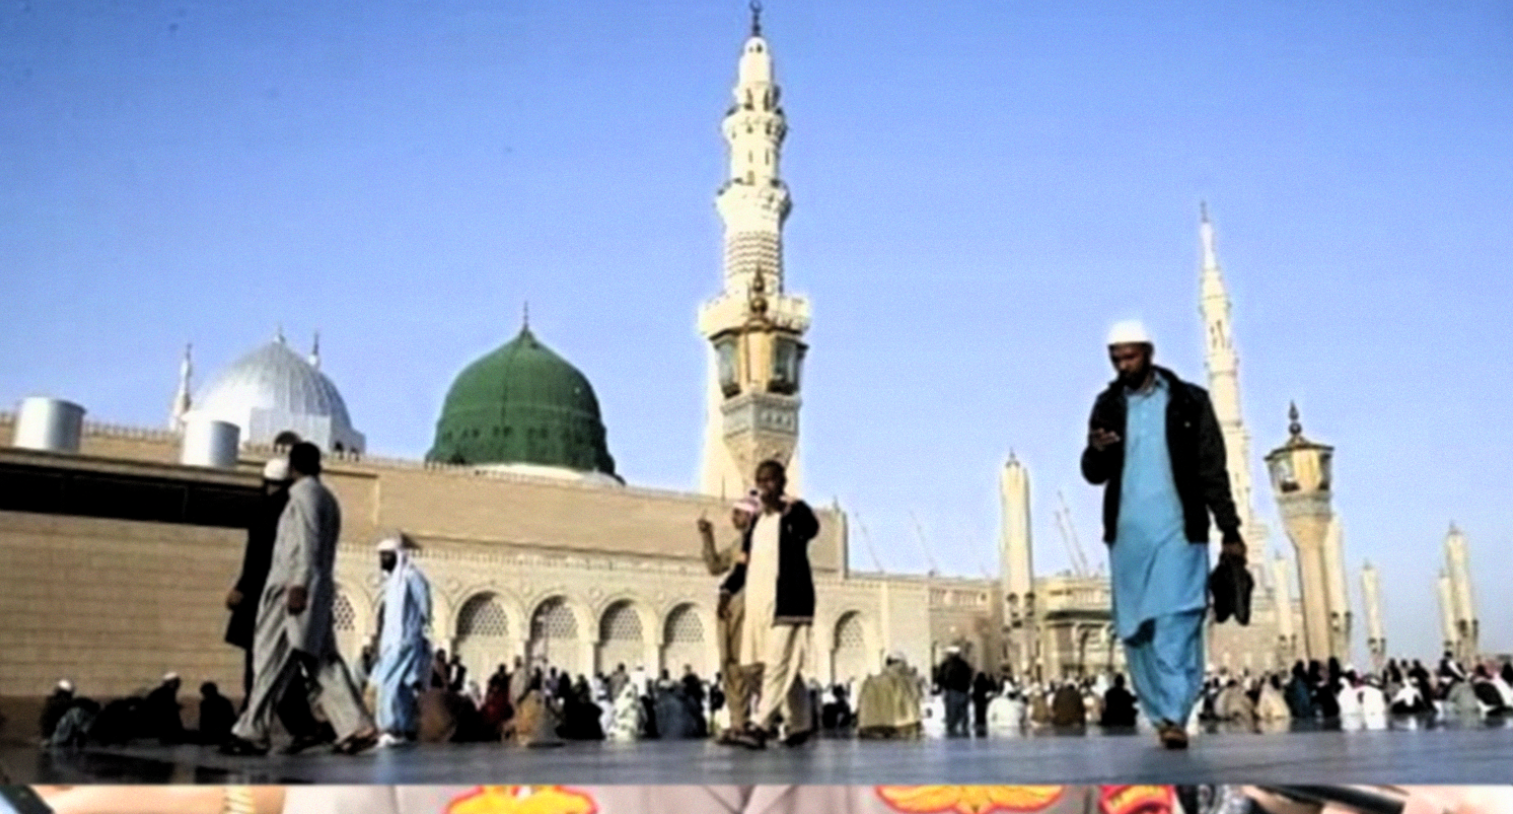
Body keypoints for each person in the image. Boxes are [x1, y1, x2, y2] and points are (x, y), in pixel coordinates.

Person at [1081, 320, 1245, 750]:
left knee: (1177, 617)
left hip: (1180, 528)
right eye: (1116, 359)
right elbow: (1092, 474)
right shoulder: (1107, 404)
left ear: (1149, 352)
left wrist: (1230, 528)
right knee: (1136, 631)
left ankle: (1174, 712)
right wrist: (1096, 451)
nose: (1123, 365)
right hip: (1128, 534)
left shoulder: (1190, 401)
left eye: (1130, 357)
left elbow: (1212, 468)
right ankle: (1158, 711)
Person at [223, 442, 379, 756]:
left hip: (292, 591)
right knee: (322, 662)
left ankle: (252, 732)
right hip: (314, 589)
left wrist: (298, 585)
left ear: (293, 467)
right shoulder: (328, 498)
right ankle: (356, 727)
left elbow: (307, 542)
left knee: (270, 659)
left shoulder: (303, 495)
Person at [224, 457, 325, 754]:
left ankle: (253, 730)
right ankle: (300, 728)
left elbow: (259, 560)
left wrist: (242, 588)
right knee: (280, 668)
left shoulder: (273, 511)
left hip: (266, 599)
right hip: (287, 595)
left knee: (263, 666)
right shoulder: (297, 506)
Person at [730, 459, 821, 749]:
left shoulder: (795, 511)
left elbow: (811, 528)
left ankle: (761, 725)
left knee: (777, 663)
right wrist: (727, 590)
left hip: (788, 602)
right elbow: (745, 562)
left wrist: (787, 508)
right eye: (760, 480)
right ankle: (802, 723)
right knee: (775, 666)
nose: (764, 486)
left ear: (782, 482)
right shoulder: (757, 522)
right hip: (759, 604)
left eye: (770, 480)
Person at [698, 493, 760, 743]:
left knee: (748, 666)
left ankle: (767, 721)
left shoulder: (757, 542)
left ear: (750, 516)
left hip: (746, 605)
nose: (733, 517)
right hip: (730, 608)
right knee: (730, 664)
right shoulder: (738, 544)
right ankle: (738, 722)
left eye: (738, 513)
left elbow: (745, 574)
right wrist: (707, 536)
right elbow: (714, 567)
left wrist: (727, 593)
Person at [371, 531, 432, 748]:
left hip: (405, 640)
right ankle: (405, 729)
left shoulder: (412, 577)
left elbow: (424, 605)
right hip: (392, 641)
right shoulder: (392, 582)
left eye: (387, 556)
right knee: (401, 686)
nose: (383, 561)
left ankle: (390, 727)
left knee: (387, 682)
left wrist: (418, 630)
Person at [934, 646, 973, 736]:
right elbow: (969, 677)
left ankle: (952, 731)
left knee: (952, 712)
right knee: (964, 711)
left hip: (952, 691)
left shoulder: (946, 664)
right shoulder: (964, 664)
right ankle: (964, 729)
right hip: (964, 691)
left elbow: (940, 678)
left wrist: (940, 688)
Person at [140, 672, 186, 745]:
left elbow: (169, 706)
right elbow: (167, 707)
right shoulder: (167, 692)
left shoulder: (165, 691)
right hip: (157, 718)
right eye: (176, 683)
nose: (178, 686)